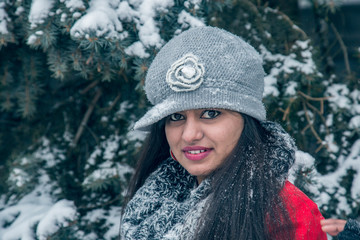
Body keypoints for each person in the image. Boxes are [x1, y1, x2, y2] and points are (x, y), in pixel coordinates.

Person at [120, 26, 327, 240]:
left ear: (246, 122)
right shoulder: (152, 202)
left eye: (210, 113)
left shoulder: (285, 212)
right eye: (176, 117)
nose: (189, 135)